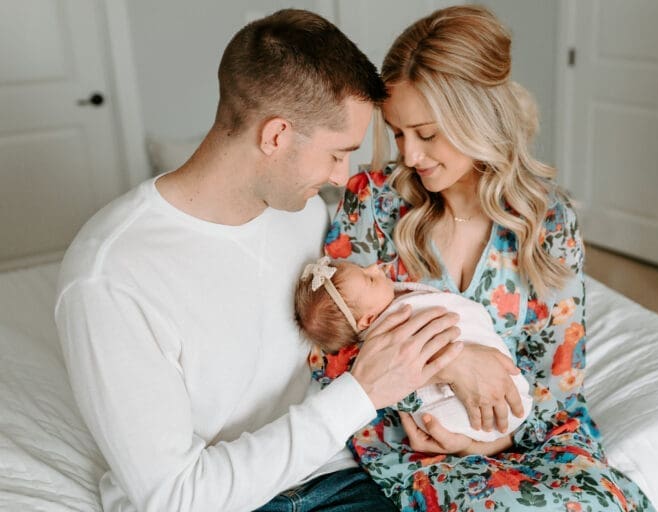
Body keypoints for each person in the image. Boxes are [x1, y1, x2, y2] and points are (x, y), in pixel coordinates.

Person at [53, 10, 469, 512]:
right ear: (275, 136)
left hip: (343, 477)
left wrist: (461, 362)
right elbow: (175, 497)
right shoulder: (110, 277)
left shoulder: (303, 211)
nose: (343, 176)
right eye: (338, 152)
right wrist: (359, 395)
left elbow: (364, 318)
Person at [320, 5, 656, 511]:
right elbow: (332, 349)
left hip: (530, 439)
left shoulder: (548, 222)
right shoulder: (372, 203)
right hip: (418, 445)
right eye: (397, 133)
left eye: (427, 134)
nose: (409, 155)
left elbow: (558, 383)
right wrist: (450, 364)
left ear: (476, 117)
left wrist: (491, 440)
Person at [294, 256, 533, 442]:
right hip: (445, 406)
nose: (375, 268)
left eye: (364, 269)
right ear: (368, 321)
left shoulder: (396, 299)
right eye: (370, 279)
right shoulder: (389, 336)